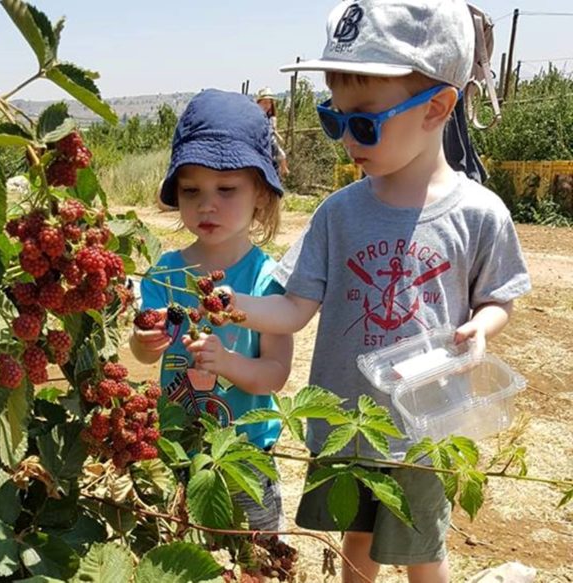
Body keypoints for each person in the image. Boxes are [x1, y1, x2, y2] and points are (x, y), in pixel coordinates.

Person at [220, 1, 531, 581]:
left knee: (423, 552)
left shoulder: (479, 214)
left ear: (437, 108)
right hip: (347, 425)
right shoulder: (338, 215)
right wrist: (231, 304)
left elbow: (498, 297)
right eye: (333, 119)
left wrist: (481, 330)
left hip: (425, 428)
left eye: (362, 123)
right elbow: (294, 307)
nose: (346, 139)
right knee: (354, 545)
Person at [130, 89, 294, 531]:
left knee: (254, 554)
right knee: (183, 548)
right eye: (191, 190)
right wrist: (144, 341)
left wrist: (228, 363)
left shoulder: (268, 280)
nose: (207, 204)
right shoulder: (165, 272)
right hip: (177, 445)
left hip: (245, 453)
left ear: (260, 193)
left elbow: (276, 373)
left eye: (226, 189)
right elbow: (145, 355)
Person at [256, 87, 290, 178]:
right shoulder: (254, 117)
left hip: (270, 145)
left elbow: (272, 131)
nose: (267, 105)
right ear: (258, 103)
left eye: (269, 102)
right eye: (264, 102)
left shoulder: (271, 118)